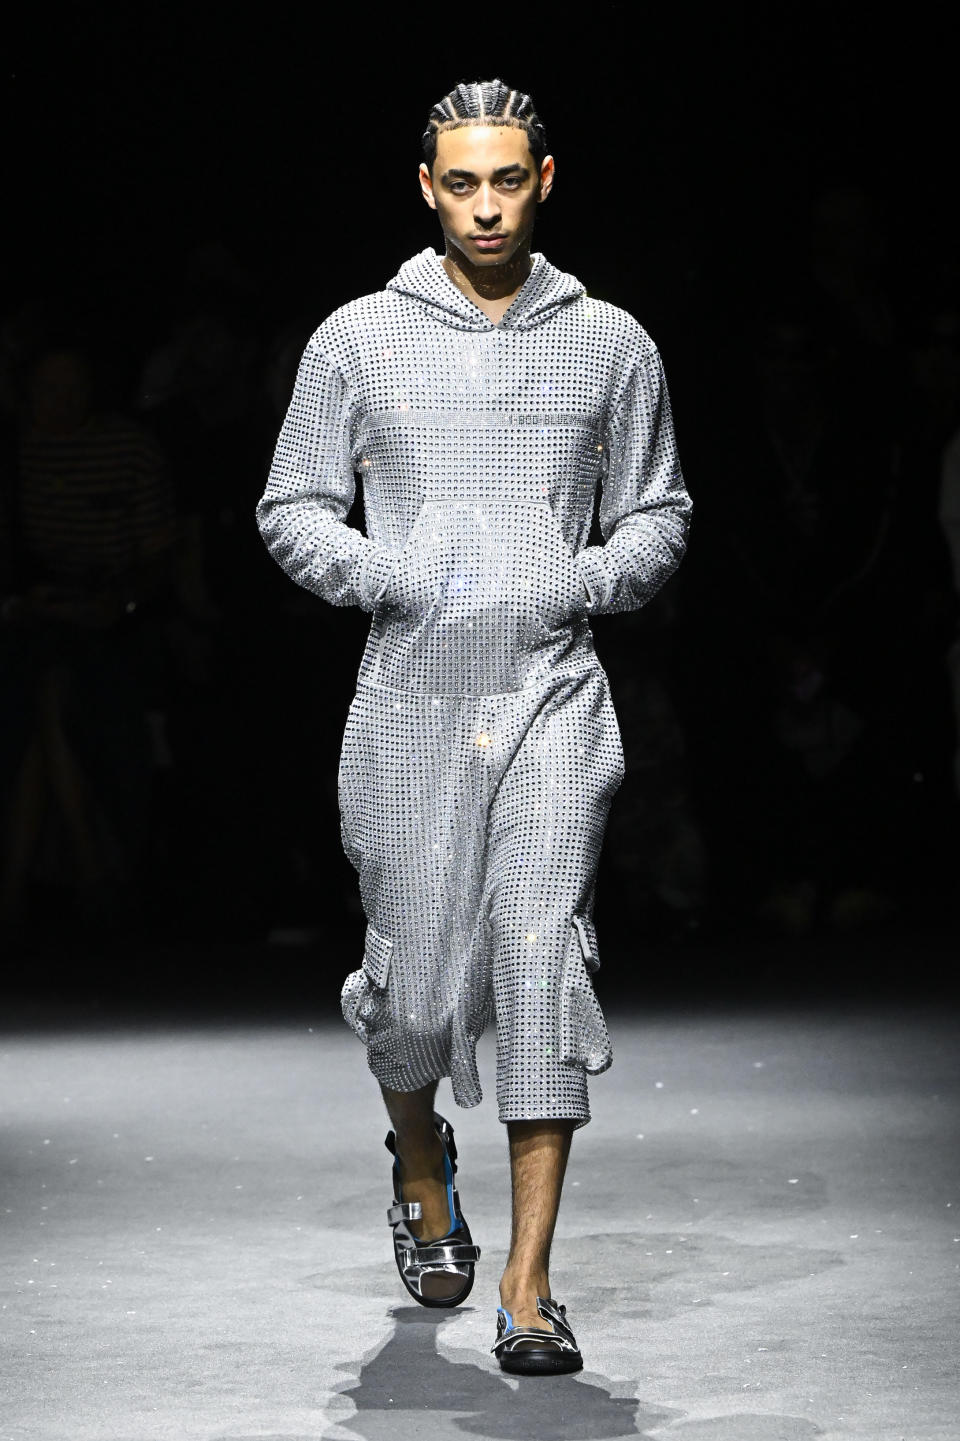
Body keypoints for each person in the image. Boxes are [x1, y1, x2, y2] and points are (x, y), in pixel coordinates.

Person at [256, 78, 691, 1375]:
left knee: (543, 960)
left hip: (554, 695)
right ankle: (419, 1157)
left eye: (509, 180)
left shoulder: (611, 341)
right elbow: (292, 509)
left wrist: (578, 581)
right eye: (463, 183)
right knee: (414, 992)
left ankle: (528, 1284)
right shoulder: (357, 340)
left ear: (544, 180)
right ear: (427, 187)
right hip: (410, 702)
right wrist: (393, 575)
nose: (487, 205)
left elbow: (659, 513)